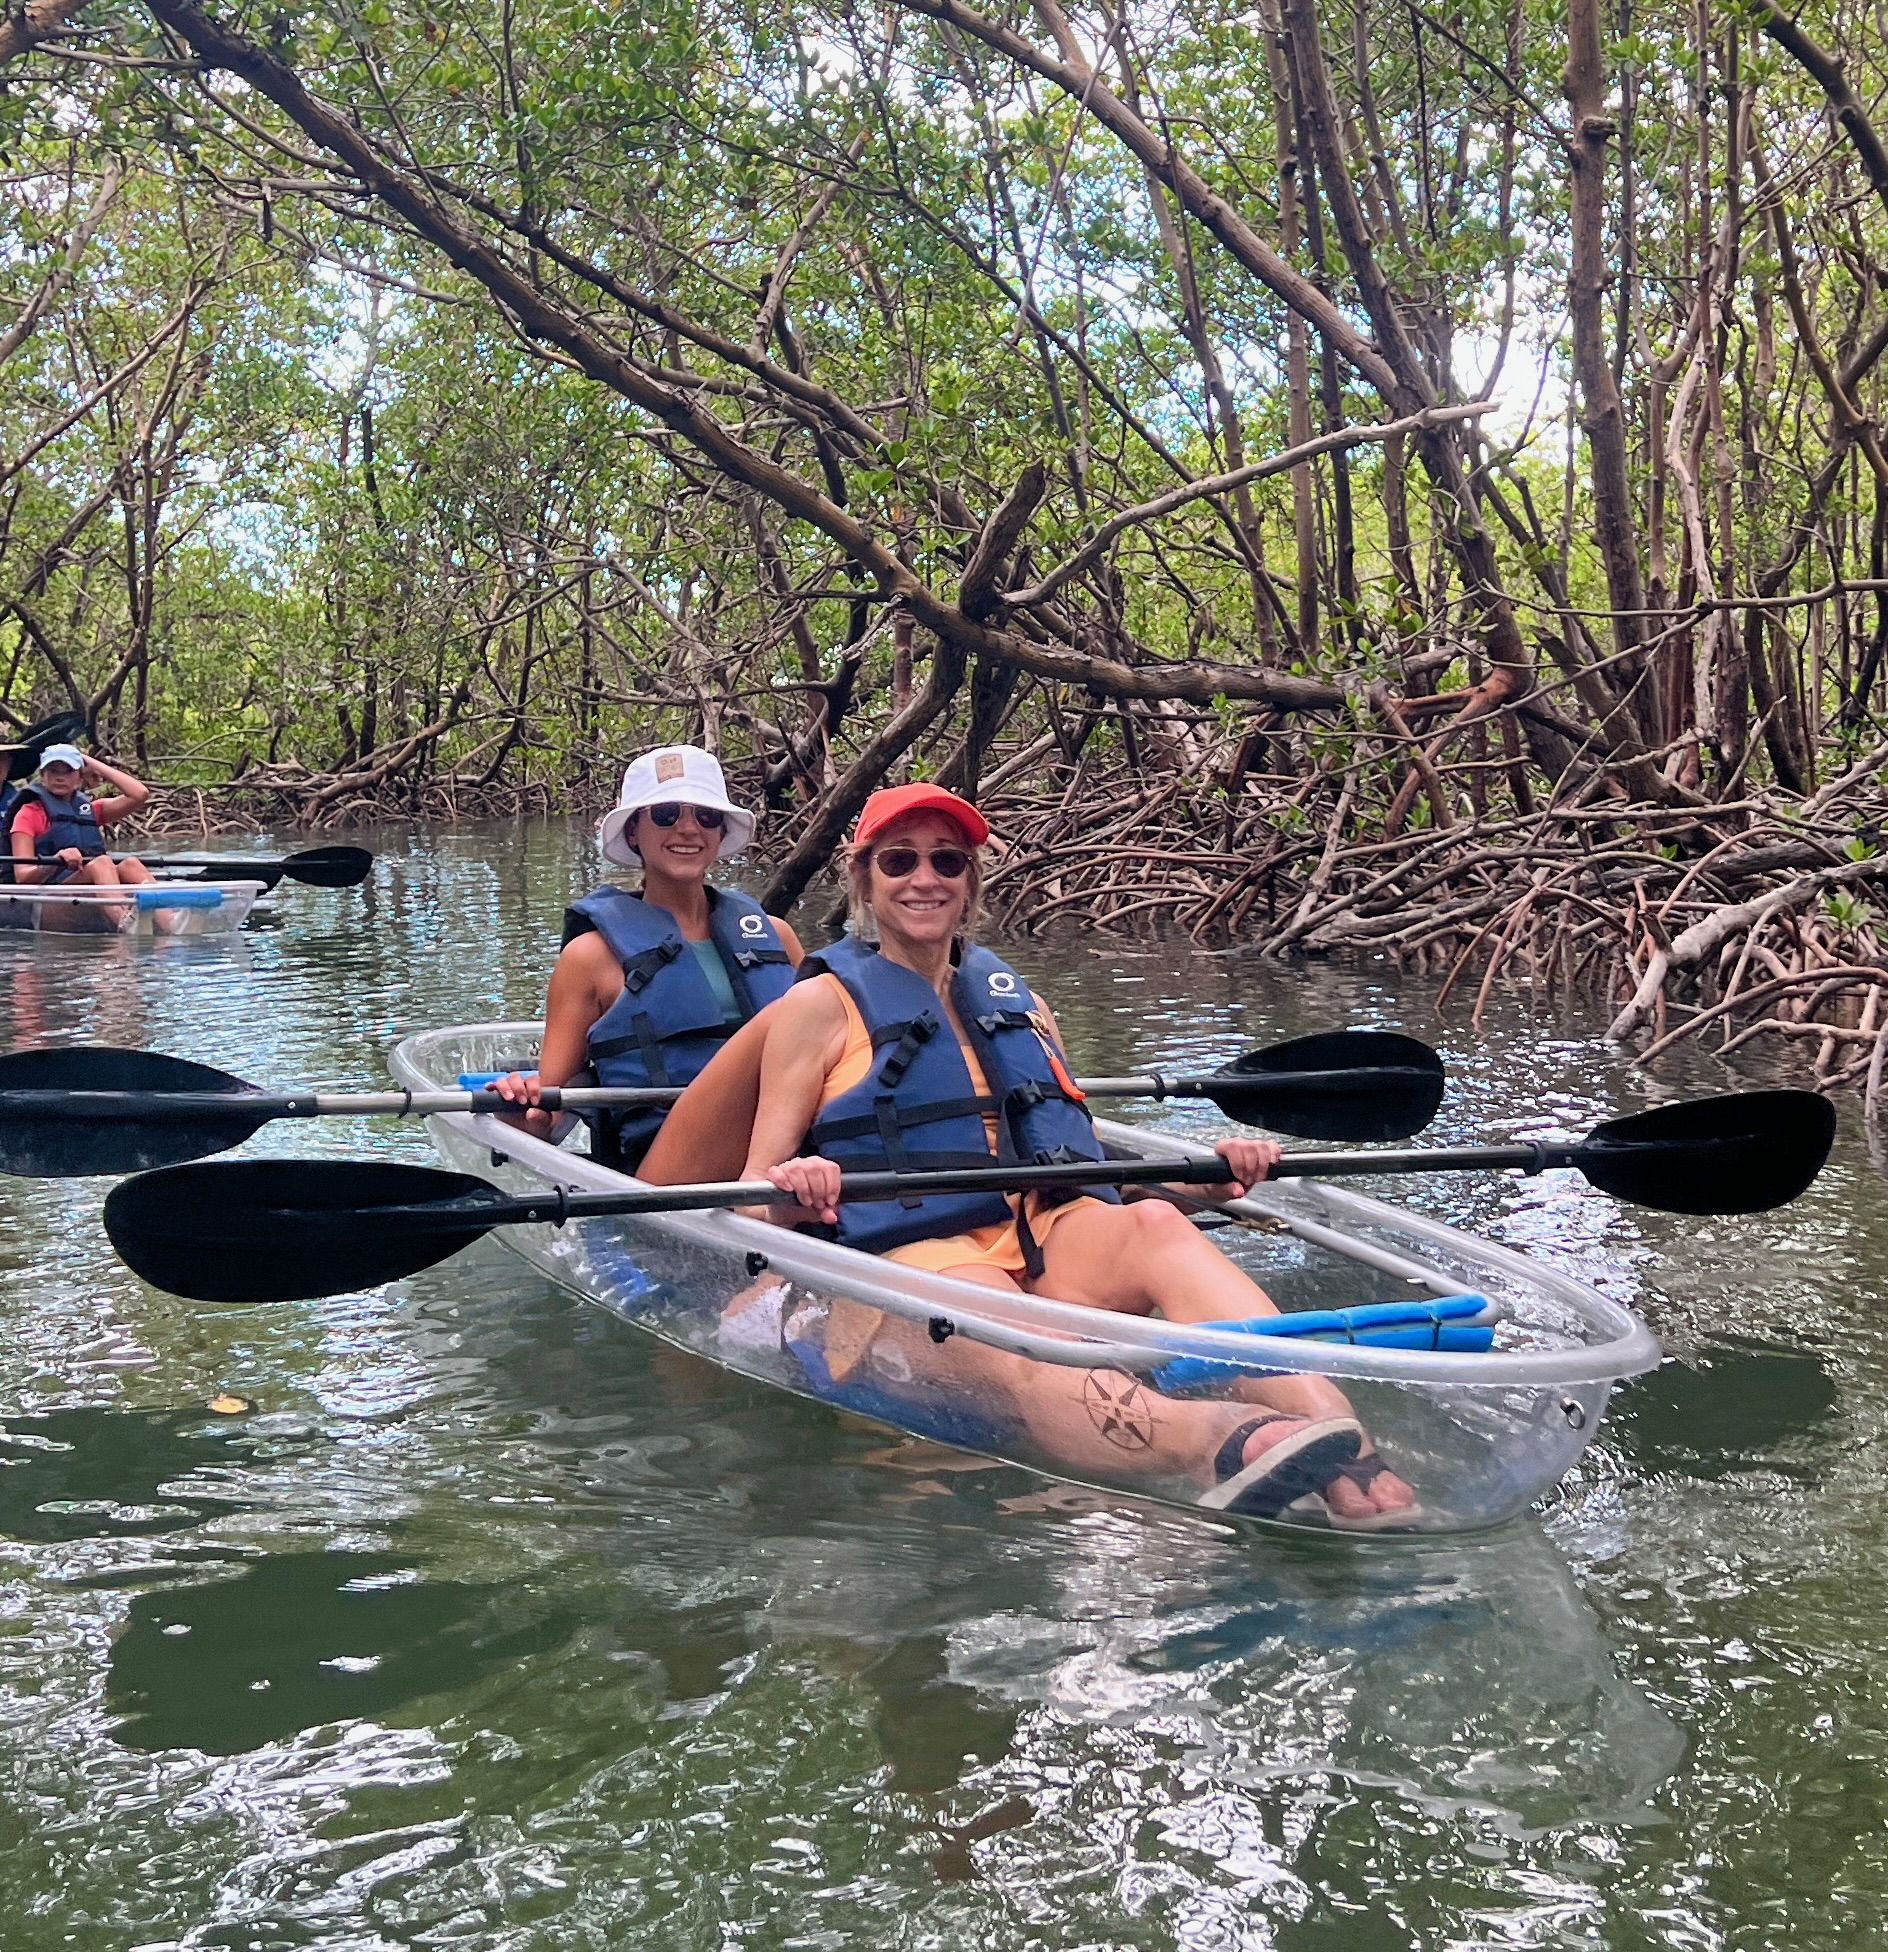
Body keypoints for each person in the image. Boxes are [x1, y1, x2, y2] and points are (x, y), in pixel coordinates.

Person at [738, 782, 1418, 1525]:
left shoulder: (1017, 1002)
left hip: (1038, 1233)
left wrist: (1199, 1185)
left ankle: (1343, 1443)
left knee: (1158, 1228)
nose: (925, 879)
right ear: (864, 878)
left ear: (971, 881)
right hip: (912, 1253)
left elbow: (1076, 1159)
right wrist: (793, 1185)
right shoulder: (817, 1005)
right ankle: (1224, 1443)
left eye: (947, 861)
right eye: (899, 861)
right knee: (1036, 1334)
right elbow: (749, 1198)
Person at [492, 745, 805, 1173]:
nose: (688, 829)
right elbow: (552, 1112)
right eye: (666, 815)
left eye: (706, 816)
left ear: (719, 832)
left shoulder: (776, 936)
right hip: (667, 1166)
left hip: (785, 1145)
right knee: (799, 1014)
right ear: (634, 831)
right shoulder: (589, 958)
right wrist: (521, 1112)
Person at [7, 743, 159, 893]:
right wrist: (55, 861)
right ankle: (123, 916)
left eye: (68, 771)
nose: (60, 777)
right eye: (53, 771)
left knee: (130, 865)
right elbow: (22, 877)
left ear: (80, 777)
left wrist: (89, 761)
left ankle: (171, 917)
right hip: (48, 897)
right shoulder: (28, 814)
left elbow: (140, 794)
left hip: (88, 891)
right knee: (101, 863)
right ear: (42, 775)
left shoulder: (91, 810)